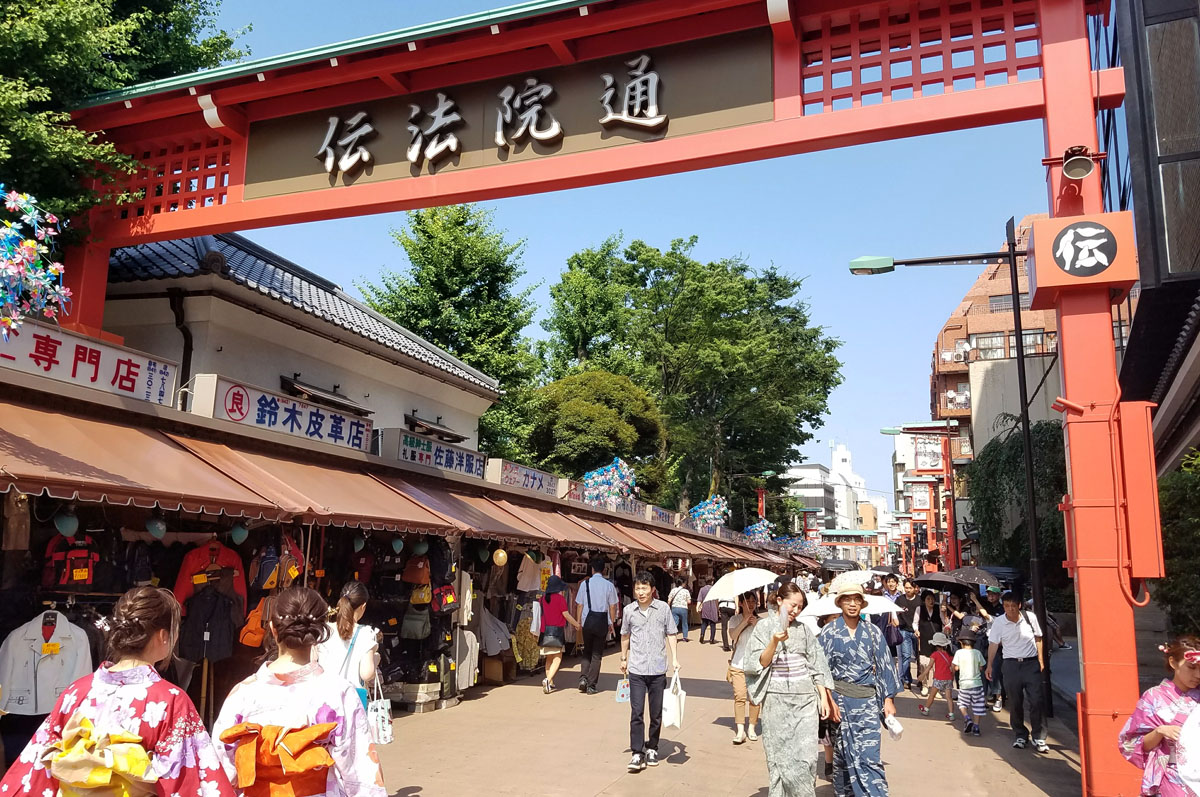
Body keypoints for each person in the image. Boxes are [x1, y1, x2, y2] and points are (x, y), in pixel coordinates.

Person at [0, 587, 233, 797]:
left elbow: (37, 767)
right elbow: (193, 783)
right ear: (163, 636)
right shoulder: (171, 701)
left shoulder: (76, 693)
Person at [213, 586, 385, 797]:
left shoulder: (242, 694)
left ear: (273, 630)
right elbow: (361, 776)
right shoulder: (338, 693)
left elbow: (221, 769)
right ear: (320, 632)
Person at [743, 581, 833, 797]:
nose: (795, 610)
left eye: (800, 607)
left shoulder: (804, 630)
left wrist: (823, 696)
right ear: (780, 601)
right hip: (776, 700)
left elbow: (817, 663)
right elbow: (757, 663)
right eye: (792, 605)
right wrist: (774, 642)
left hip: (805, 701)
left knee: (807, 757)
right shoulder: (764, 627)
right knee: (779, 756)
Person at [819, 581, 900, 797]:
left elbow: (885, 666)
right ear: (840, 603)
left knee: (870, 756)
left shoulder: (873, 632)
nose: (852, 604)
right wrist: (827, 699)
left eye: (856, 600)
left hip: (867, 702)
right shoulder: (829, 632)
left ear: (862, 604)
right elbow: (820, 670)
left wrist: (888, 700)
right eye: (847, 600)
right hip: (839, 703)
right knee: (843, 755)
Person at [1119, 637, 1200, 797]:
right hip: (1172, 777)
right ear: (1173, 662)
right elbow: (1130, 744)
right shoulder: (1153, 697)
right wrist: (1159, 732)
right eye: (1191, 667)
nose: (1198, 674)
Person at [619, 571, 680, 772]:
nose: (640, 592)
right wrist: (623, 658)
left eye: (644, 588)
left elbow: (671, 633)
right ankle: (637, 752)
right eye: (637, 588)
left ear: (652, 589)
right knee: (636, 712)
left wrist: (675, 659)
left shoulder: (663, 609)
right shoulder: (629, 610)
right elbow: (625, 635)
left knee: (655, 713)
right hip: (636, 668)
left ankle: (652, 747)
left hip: (657, 669)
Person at [985, 591, 1047, 752]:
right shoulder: (999, 622)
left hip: (1030, 663)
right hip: (1011, 665)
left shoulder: (1030, 617)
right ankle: (1020, 734)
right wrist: (989, 664)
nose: (1010, 609)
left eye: (1013, 605)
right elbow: (993, 644)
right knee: (1015, 701)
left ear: (1019, 605)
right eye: (1006, 606)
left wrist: (1040, 659)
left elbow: (1039, 638)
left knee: (1036, 700)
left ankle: (1039, 736)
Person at [315, 580, 378, 695]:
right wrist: (376, 659)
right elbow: (367, 674)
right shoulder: (366, 633)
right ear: (363, 606)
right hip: (351, 700)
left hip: (324, 697)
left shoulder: (325, 631)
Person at [576, 556, 619, 695]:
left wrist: (578, 622)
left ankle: (583, 678)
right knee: (597, 654)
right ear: (604, 570)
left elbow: (580, 604)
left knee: (587, 651)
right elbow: (613, 606)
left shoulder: (585, 584)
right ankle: (591, 685)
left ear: (592, 569)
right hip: (601, 621)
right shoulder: (609, 585)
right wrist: (611, 622)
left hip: (587, 621)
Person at [726, 592, 762, 744]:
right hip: (738, 664)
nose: (751, 604)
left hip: (755, 665)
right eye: (747, 601)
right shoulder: (734, 619)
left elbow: (766, 641)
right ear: (741, 603)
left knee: (754, 698)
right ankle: (740, 730)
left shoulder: (761, 622)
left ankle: (752, 727)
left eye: (753, 601)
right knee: (739, 697)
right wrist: (744, 622)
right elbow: (733, 636)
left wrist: (755, 624)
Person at [539, 575, 582, 693]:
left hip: (544, 631)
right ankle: (547, 680)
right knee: (557, 657)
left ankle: (550, 682)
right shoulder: (560, 599)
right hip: (556, 631)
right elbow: (566, 615)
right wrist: (576, 624)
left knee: (548, 658)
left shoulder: (543, 599)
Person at [953, 629, 987, 736]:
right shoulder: (977, 653)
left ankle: (967, 719)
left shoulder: (959, 653)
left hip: (964, 684)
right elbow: (981, 667)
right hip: (977, 684)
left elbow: (956, 668)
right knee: (978, 706)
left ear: (961, 642)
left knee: (962, 703)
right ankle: (976, 727)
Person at [917, 632, 954, 720]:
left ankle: (926, 709)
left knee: (932, 695)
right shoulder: (950, 655)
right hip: (948, 678)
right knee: (949, 697)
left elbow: (929, 666)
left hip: (938, 678)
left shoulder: (935, 655)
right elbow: (952, 668)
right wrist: (952, 678)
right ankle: (951, 714)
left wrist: (922, 675)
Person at [893, 579, 920, 689]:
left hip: (917, 631)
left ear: (915, 588)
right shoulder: (900, 599)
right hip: (904, 630)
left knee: (919, 657)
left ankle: (920, 679)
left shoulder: (919, 600)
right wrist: (896, 620)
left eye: (910, 588)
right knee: (906, 656)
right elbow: (893, 611)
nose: (908, 590)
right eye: (906, 587)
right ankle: (906, 679)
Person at [915, 590, 941, 696]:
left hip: (937, 640)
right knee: (924, 664)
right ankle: (925, 685)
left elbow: (944, 622)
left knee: (937, 665)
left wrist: (944, 612)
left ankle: (936, 688)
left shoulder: (938, 609)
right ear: (924, 600)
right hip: (924, 639)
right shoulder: (919, 609)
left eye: (932, 599)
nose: (931, 601)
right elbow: (915, 622)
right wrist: (916, 630)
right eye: (928, 599)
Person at [667, 578, 693, 642]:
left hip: (674, 607)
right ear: (683, 583)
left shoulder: (673, 590)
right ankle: (685, 637)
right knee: (684, 623)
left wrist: (668, 606)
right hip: (683, 608)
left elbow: (669, 600)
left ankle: (673, 636)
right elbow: (689, 601)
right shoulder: (686, 591)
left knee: (675, 622)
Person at [697, 579, 718, 644]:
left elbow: (699, 599)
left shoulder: (702, 589)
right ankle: (711, 639)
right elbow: (717, 600)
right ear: (712, 582)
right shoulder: (714, 589)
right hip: (713, 607)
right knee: (713, 624)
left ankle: (702, 635)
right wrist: (717, 608)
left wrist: (697, 607)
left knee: (704, 623)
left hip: (705, 607)